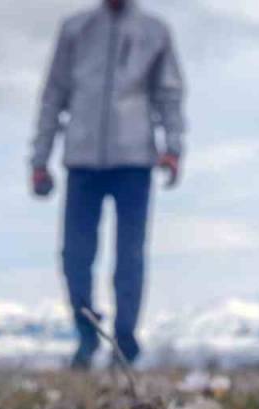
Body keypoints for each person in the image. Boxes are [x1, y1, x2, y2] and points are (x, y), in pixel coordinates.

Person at [30, 0, 185, 370]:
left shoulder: (154, 31)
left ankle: (125, 344)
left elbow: (168, 93)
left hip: (135, 161)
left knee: (129, 256)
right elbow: (54, 94)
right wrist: (40, 158)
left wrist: (173, 148)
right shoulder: (75, 30)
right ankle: (87, 336)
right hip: (82, 161)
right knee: (75, 255)